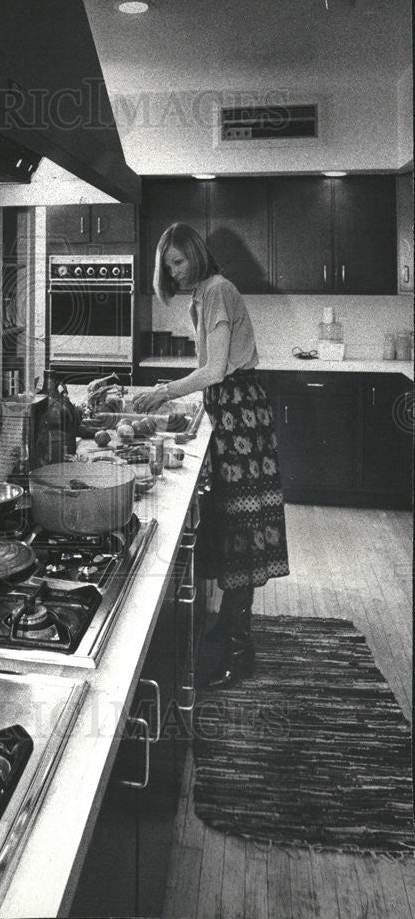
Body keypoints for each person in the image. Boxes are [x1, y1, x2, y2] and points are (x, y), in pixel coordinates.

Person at [133, 223, 290, 688]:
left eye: (178, 262)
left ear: (197, 256)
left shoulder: (218, 291)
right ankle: (227, 634)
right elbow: (210, 369)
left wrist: (167, 392)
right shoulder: (203, 296)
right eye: (167, 266)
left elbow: (217, 369)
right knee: (235, 527)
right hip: (232, 409)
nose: (174, 272)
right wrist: (184, 396)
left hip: (242, 414)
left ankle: (237, 651)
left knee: (243, 530)